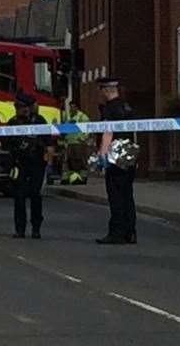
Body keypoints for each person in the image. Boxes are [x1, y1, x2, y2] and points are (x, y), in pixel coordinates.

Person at [95, 76, 138, 245]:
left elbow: (108, 132)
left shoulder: (110, 108)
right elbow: (134, 131)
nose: (100, 94)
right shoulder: (127, 107)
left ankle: (117, 233)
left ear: (106, 90)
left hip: (115, 152)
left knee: (116, 194)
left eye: (101, 90)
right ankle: (130, 232)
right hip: (128, 151)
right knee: (127, 194)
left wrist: (102, 154)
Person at [0, 91, 47, 239]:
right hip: (19, 164)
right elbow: (5, 143)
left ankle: (36, 228)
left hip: (37, 163)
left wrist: (46, 158)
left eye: (23, 107)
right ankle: (20, 229)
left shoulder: (39, 121)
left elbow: (48, 142)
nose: (20, 110)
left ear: (29, 107)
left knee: (35, 195)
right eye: (18, 107)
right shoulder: (13, 122)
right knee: (19, 196)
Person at [57, 97, 91, 184]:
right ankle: (68, 178)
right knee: (68, 161)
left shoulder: (82, 117)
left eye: (73, 107)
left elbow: (88, 129)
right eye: (70, 107)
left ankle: (81, 178)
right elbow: (63, 127)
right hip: (68, 142)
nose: (72, 108)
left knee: (80, 161)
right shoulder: (67, 116)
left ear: (77, 107)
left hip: (78, 142)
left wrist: (82, 138)